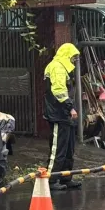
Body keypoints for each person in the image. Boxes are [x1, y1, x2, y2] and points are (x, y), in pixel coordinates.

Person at [44, 43, 82, 191]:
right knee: (58, 149)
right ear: (66, 55)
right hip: (58, 114)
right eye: (72, 57)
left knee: (68, 148)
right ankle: (52, 180)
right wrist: (70, 107)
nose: (73, 60)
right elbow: (58, 90)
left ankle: (66, 177)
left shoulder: (62, 68)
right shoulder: (57, 67)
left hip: (65, 115)